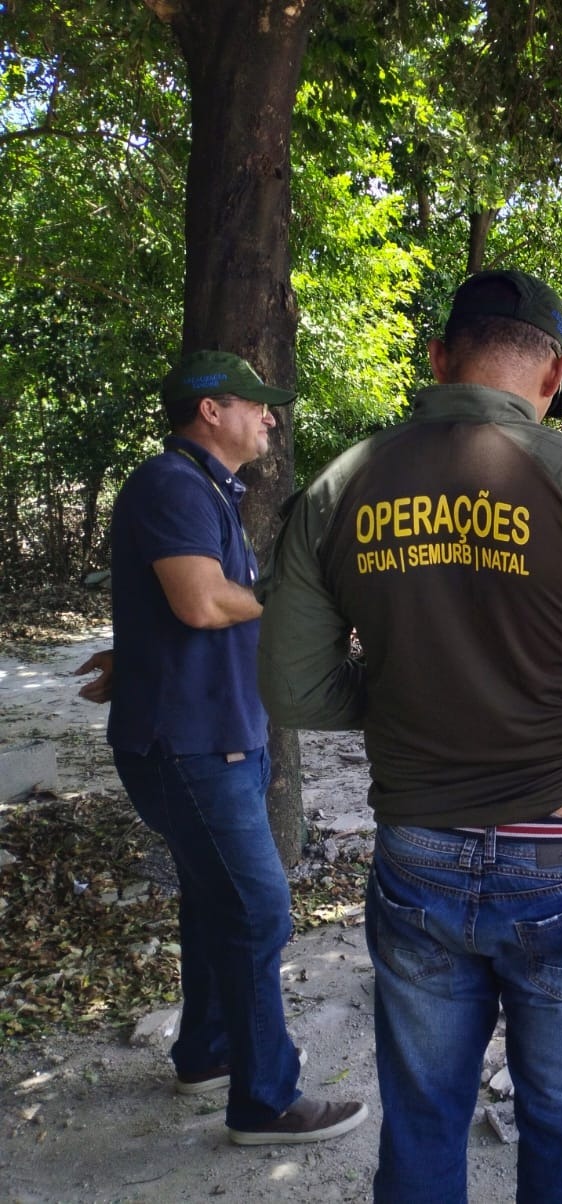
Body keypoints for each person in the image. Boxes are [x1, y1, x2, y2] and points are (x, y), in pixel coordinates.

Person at [256, 270, 562, 1203]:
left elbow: (293, 687)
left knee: (422, 1121)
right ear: (556, 373)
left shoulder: (342, 486)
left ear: (437, 359)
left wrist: (405, 701)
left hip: (418, 850)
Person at [73, 350, 368, 1145]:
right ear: (211, 410)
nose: (269, 416)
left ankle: (206, 1053)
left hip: (217, 736)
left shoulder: (203, 492)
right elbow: (202, 604)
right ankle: (266, 1101)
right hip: (192, 747)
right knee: (258, 909)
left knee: (214, 903)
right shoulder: (171, 483)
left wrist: (132, 655)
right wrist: (297, 598)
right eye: (255, 404)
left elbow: (169, 610)